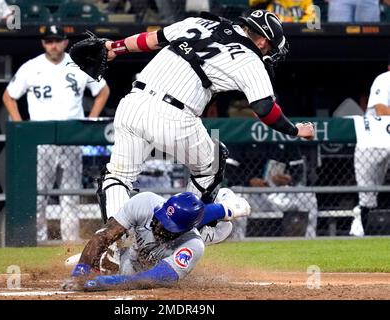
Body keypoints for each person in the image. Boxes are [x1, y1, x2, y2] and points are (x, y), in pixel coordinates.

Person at [92, 9, 314, 247]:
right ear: (262, 41)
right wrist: (296, 130)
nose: (268, 53)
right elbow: (265, 109)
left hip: (132, 103)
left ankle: (114, 249)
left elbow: (151, 39)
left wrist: (113, 47)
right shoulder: (250, 58)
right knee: (213, 162)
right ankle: (177, 234)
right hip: (174, 115)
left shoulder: (200, 22)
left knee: (117, 176)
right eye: (269, 48)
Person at [2, 25, 110, 242]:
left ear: (65, 42)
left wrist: (90, 120)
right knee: (39, 194)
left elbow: (103, 91)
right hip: (41, 139)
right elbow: (8, 96)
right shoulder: (31, 67)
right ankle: (38, 239)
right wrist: (21, 127)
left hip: (71, 137)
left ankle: (69, 241)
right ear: (43, 43)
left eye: (57, 40)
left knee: (70, 194)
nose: (53, 45)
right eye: (49, 41)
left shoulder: (77, 63)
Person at [62, 189, 251, 291]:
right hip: (130, 258)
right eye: (161, 218)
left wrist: (105, 283)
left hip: (152, 264)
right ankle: (226, 208)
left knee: (223, 230)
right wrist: (80, 272)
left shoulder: (194, 244)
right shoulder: (146, 202)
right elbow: (104, 235)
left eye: (168, 225)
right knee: (109, 246)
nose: (160, 224)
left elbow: (154, 278)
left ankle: (228, 208)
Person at [226, 143, 319, 238]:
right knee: (236, 197)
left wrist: (289, 179)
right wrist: (249, 180)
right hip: (250, 193)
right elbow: (229, 170)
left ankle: (309, 239)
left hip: (279, 192)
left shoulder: (283, 137)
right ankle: (237, 241)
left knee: (308, 196)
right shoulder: (244, 138)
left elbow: (299, 170)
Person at [350, 56, 390, 237]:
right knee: (367, 195)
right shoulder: (384, 78)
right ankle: (359, 233)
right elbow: (382, 110)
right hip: (374, 140)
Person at [250, 0, 317, 23]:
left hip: (295, 33)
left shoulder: (305, 1)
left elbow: (312, 17)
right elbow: (253, 2)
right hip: (271, 30)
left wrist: (295, 22)